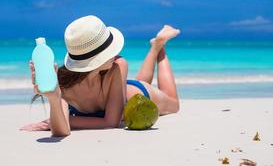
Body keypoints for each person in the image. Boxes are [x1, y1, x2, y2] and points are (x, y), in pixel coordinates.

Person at [20, 15, 180, 137]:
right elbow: (61, 131)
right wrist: (54, 99)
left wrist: (63, 119)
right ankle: (155, 47)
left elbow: (112, 122)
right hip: (119, 92)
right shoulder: (63, 86)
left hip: (139, 96)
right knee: (142, 80)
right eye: (109, 50)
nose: (116, 53)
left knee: (173, 103)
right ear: (96, 61)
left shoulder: (118, 65)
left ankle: (158, 48)